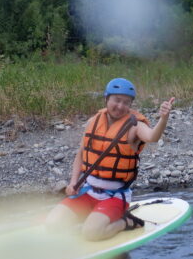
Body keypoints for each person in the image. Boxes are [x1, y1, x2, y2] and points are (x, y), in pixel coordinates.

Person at [46, 78, 175, 241]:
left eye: (126, 102)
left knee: (91, 233)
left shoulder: (135, 125)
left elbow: (152, 137)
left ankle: (125, 222)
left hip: (114, 196)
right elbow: (81, 153)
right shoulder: (94, 121)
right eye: (117, 100)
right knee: (52, 224)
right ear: (107, 98)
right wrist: (73, 182)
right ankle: (93, 216)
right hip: (88, 191)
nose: (120, 106)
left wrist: (163, 118)